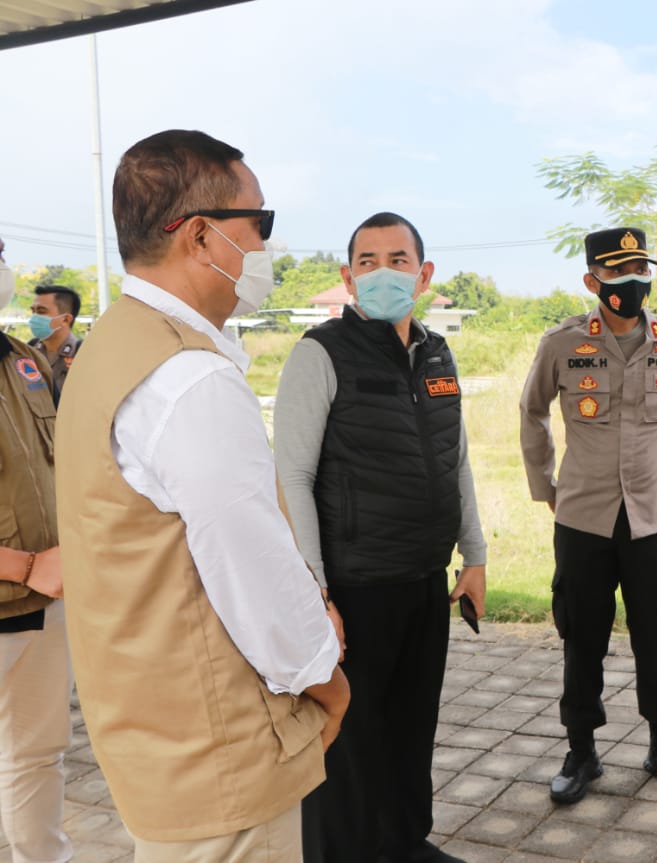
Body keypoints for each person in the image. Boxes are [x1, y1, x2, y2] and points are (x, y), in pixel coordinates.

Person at [54, 129, 349, 862]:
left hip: (156, 735)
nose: (268, 248)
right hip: (218, 750)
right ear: (201, 236)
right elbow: (247, 562)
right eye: (262, 224)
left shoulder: (114, 344)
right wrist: (326, 679)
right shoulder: (188, 377)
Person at [275, 211, 486, 863]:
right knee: (348, 738)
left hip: (423, 580)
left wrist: (474, 555)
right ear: (347, 277)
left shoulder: (437, 353)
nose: (381, 272)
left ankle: (403, 843)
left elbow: (456, 458)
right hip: (355, 586)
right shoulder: (320, 354)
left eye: (397, 259)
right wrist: (315, 591)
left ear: (423, 274)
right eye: (367, 262)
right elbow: (291, 475)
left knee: (409, 728)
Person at [520, 227, 657, 805]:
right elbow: (532, 412)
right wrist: (544, 486)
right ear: (592, 280)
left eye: (640, 271)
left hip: (653, 516)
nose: (633, 282)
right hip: (583, 517)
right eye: (619, 273)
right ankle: (581, 752)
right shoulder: (562, 343)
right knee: (582, 636)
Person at [0, 236, 73, 863]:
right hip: (16, 586)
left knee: (38, 755)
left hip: (44, 605)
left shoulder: (23, 359)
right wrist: (21, 564)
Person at [28, 285, 82, 397]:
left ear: (65, 319)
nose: (34, 318)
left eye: (41, 311)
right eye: (33, 311)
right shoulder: (27, 351)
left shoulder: (82, 353)